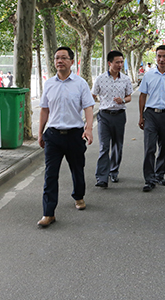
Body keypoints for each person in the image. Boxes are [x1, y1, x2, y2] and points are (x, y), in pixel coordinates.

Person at [37, 46, 95, 228]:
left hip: (74, 135)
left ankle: (78, 196)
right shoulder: (49, 84)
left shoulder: (80, 83)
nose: (59, 61)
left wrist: (89, 128)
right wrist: (40, 133)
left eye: (63, 58)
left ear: (72, 61)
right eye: (57, 58)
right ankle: (48, 213)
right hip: (53, 136)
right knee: (50, 174)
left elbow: (88, 107)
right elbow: (44, 109)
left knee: (77, 169)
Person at [138, 45, 165, 192]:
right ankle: (149, 179)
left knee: (164, 146)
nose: (161, 59)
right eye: (159, 56)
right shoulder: (148, 75)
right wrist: (141, 116)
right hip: (151, 115)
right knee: (149, 147)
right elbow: (142, 95)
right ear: (156, 57)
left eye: (164, 56)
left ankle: (159, 175)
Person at [92, 50, 133, 187]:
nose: (120, 65)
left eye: (121, 62)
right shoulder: (100, 79)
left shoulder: (125, 79)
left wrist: (123, 100)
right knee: (104, 146)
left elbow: (129, 97)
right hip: (104, 116)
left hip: (119, 115)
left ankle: (114, 171)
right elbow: (93, 96)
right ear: (109, 63)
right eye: (117, 62)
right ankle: (101, 177)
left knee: (117, 145)